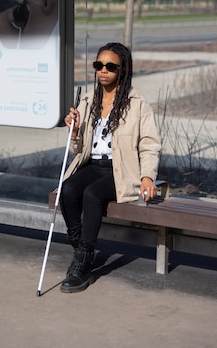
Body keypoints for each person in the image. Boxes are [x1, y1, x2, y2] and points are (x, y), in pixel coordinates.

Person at [59, 42, 162, 293]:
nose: (103, 70)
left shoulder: (137, 104)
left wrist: (148, 177)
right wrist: (74, 131)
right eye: (98, 65)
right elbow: (77, 150)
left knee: (92, 195)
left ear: (123, 70)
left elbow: (149, 145)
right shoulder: (87, 101)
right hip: (93, 164)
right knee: (68, 189)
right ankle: (80, 247)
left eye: (110, 66)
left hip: (121, 169)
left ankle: (83, 262)